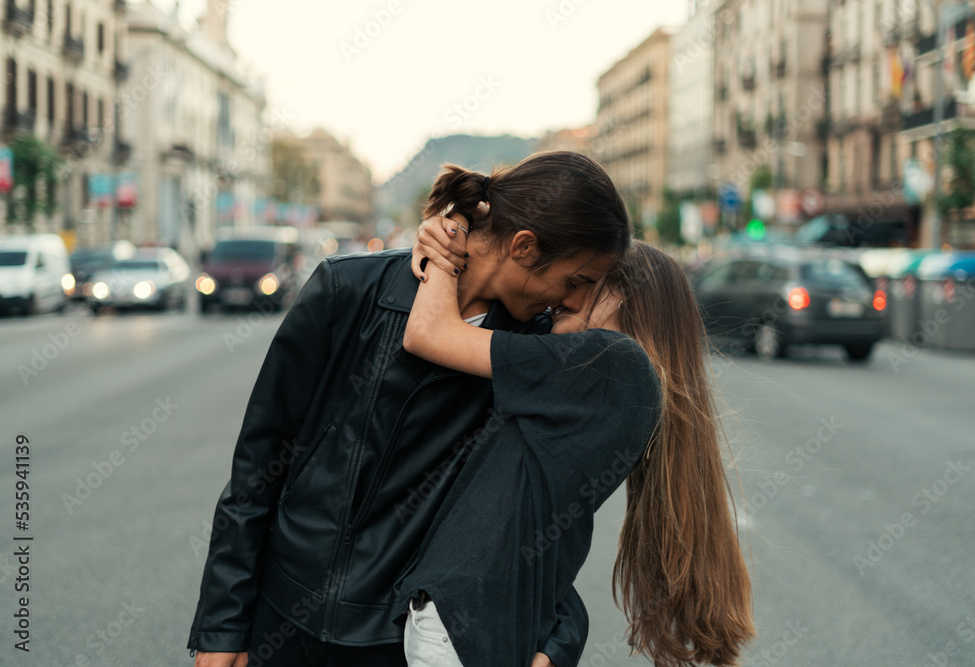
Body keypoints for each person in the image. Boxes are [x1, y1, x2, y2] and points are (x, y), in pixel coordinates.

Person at [187, 151, 632, 667]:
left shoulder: (529, 356)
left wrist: (556, 643)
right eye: (576, 280)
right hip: (283, 622)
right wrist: (223, 629)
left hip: (407, 643)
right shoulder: (348, 290)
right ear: (524, 246)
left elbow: (548, 532)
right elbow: (257, 467)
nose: (573, 302)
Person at [394, 237, 756, 667]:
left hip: (455, 629)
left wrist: (447, 239)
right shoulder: (615, 380)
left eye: (586, 281)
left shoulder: (610, 361)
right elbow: (538, 520)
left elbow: (428, 333)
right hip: (471, 631)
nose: (560, 295)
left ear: (629, 296)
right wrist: (564, 628)